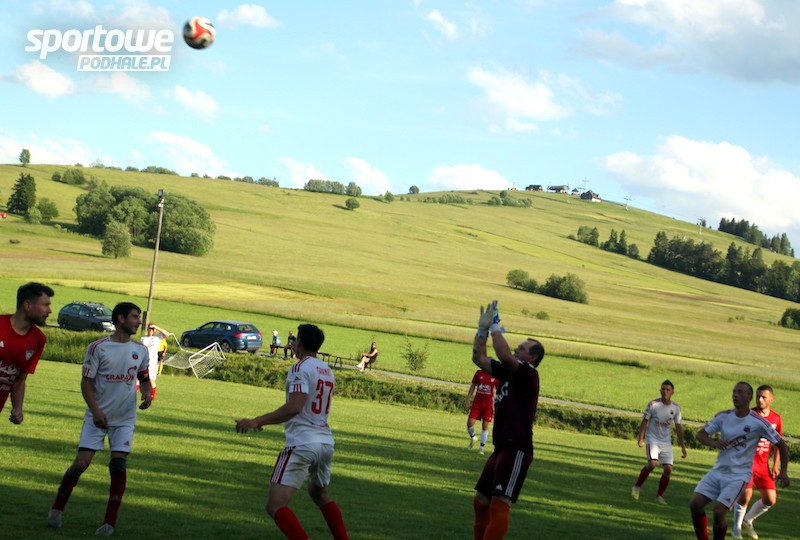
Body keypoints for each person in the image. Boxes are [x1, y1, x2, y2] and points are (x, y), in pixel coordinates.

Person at [47, 302, 153, 537]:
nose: (138, 321)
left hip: (124, 419)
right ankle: (57, 508)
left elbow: (144, 378)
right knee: (81, 464)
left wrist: (147, 394)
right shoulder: (98, 348)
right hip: (97, 415)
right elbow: (86, 383)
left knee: (118, 464)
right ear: (120, 319)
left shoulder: (141, 350)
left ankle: (109, 524)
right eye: (134, 317)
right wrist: (95, 411)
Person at [235, 324, 349, 540]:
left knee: (275, 505)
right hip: (325, 443)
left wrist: (257, 421)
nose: (294, 343)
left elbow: (295, 406)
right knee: (319, 494)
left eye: (296, 340)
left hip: (303, 442)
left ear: (300, 343)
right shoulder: (327, 370)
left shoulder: (300, 368)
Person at [471, 301, 544, 540]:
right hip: (501, 447)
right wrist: (481, 331)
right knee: (481, 501)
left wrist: (495, 327)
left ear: (531, 357)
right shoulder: (507, 371)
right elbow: (479, 358)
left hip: (517, 448)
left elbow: (503, 353)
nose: (515, 349)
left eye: (521, 349)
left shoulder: (528, 373)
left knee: (499, 503)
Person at [689, 382, 789, 540]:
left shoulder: (758, 422)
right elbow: (700, 435)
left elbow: (781, 445)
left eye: (740, 392)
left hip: (738, 476)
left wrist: (782, 471)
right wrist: (713, 443)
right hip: (717, 471)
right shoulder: (723, 416)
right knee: (695, 505)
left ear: (749, 397)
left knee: (719, 512)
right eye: (734, 392)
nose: (736, 395)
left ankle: (737, 528)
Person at [732, 385, 783, 539]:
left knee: (770, 499)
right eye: (758, 396)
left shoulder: (776, 419)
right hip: (746, 463)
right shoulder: (748, 415)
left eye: (763, 397)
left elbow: (778, 444)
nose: (760, 399)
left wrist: (775, 465)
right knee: (745, 495)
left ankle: (748, 520)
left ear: (771, 399)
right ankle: (736, 529)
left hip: (763, 465)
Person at [0, 282, 54, 424]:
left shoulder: (38, 340)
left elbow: (20, 379)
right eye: (45, 305)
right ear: (28, 305)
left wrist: (18, 408)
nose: (49, 311)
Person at [631, 380, 687, 504]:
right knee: (652, 464)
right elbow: (645, 421)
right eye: (663, 389)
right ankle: (637, 487)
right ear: (660, 391)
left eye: (668, 389)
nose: (665, 391)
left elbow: (678, 427)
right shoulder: (653, 404)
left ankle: (659, 496)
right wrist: (641, 438)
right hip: (652, 439)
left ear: (672, 392)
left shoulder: (676, 408)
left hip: (666, 442)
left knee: (668, 469)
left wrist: (682, 446)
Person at [465, 368, 499, 455]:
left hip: (488, 405)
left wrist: (496, 405)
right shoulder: (479, 373)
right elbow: (473, 386)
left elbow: (499, 391)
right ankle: (473, 437)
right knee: (470, 423)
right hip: (477, 403)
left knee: (485, 425)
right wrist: (468, 399)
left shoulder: (495, 375)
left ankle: (481, 448)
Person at [140, 323, 169, 400]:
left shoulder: (157, 338)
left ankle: (151, 395)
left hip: (152, 362)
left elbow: (167, 334)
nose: (151, 330)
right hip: (143, 361)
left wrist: (157, 327)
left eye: (152, 329)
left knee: (150, 379)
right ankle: (144, 394)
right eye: (149, 328)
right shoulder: (143, 339)